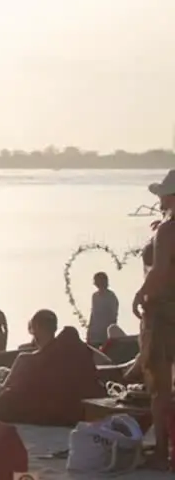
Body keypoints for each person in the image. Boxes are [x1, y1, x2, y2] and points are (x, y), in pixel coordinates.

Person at [136, 170, 175, 469]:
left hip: (164, 314)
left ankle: (163, 451)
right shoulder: (165, 228)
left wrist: (140, 293)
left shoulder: (168, 230)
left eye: (163, 194)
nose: (159, 200)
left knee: (160, 387)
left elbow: (160, 271)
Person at [88, 271, 120, 347]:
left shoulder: (111, 296)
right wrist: (89, 331)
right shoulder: (95, 296)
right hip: (95, 333)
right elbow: (93, 314)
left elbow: (113, 315)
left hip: (106, 332)